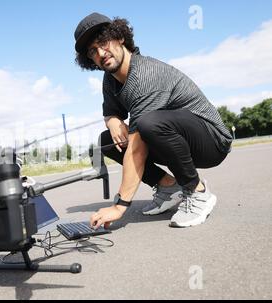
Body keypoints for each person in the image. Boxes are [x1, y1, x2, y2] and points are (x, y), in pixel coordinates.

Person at [73, 13, 233, 228]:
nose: (101, 53)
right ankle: (168, 187)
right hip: (175, 139)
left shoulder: (145, 74)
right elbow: (111, 113)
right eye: (93, 51)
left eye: (103, 42)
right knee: (108, 141)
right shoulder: (110, 79)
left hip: (212, 142)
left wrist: (120, 206)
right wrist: (112, 120)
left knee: (149, 124)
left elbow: (137, 149)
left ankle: (198, 192)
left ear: (119, 37)